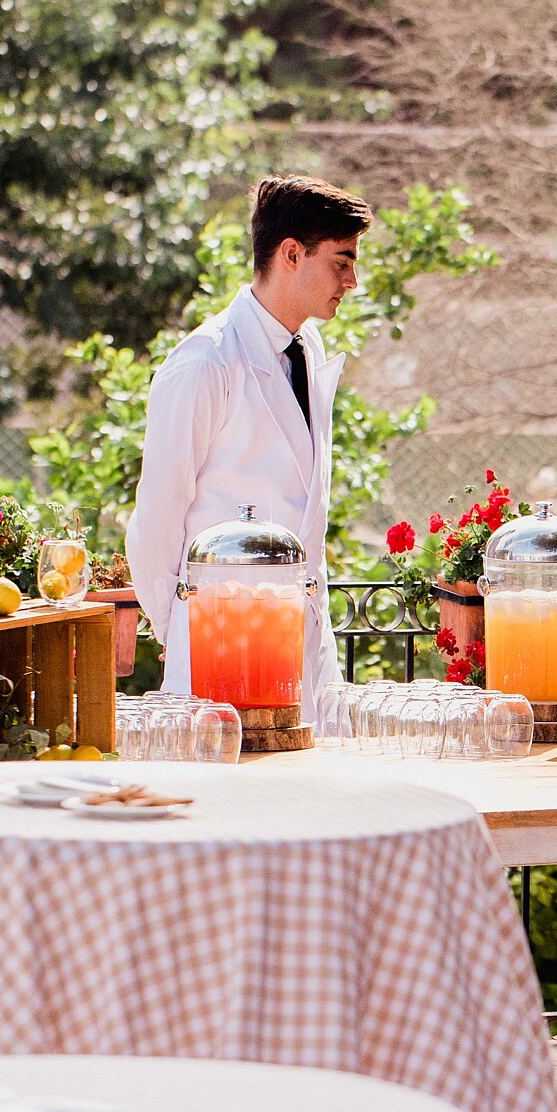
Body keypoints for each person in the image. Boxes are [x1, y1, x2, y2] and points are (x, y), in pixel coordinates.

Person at [127, 175, 370, 724]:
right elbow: (155, 519)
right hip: (218, 644)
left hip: (302, 641)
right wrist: (186, 636)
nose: (352, 280)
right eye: (341, 261)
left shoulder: (308, 346)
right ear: (291, 254)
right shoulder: (204, 363)